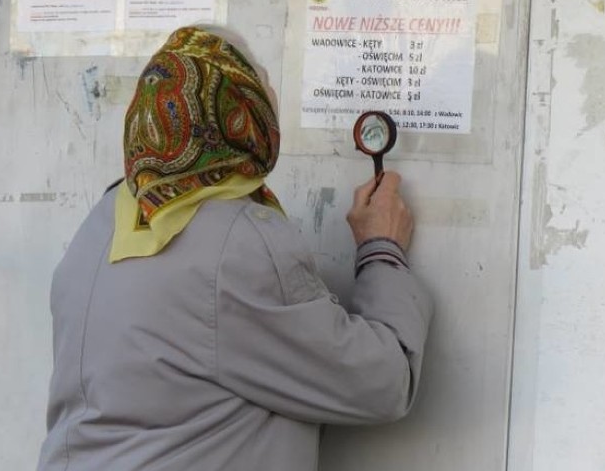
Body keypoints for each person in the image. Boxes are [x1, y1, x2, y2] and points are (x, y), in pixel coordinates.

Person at [36, 26, 433, 471]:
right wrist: (383, 251)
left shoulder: (105, 219)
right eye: (263, 85)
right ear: (240, 111)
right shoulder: (239, 243)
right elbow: (380, 383)